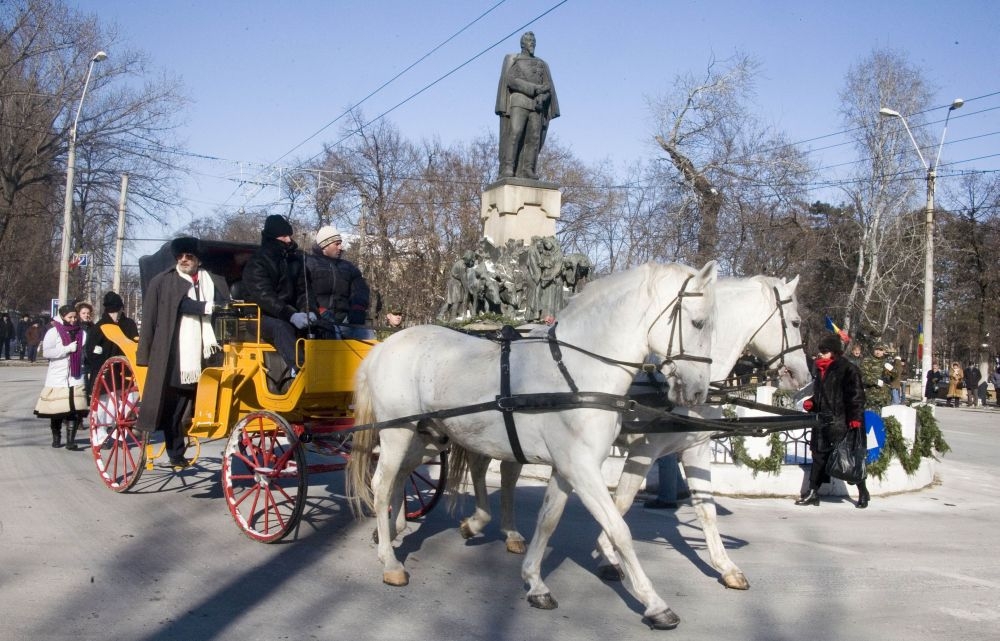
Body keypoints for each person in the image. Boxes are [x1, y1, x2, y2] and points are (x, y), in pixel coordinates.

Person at [136, 237, 229, 468]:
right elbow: (177, 306)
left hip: (207, 349)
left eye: (189, 256)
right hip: (175, 352)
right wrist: (206, 307)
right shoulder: (166, 281)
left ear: (197, 259)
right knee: (176, 404)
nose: (184, 260)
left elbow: (223, 302)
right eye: (181, 256)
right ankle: (175, 452)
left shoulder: (211, 280)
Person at [796, 335, 867, 508]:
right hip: (823, 423)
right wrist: (812, 403)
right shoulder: (821, 370)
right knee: (819, 458)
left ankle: (863, 491)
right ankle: (813, 492)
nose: (821, 355)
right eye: (820, 351)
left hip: (842, 422)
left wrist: (855, 419)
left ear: (835, 353)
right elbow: (822, 396)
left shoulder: (848, 369)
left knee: (848, 460)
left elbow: (856, 397)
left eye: (825, 352)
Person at [241, 214, 314, 370]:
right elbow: (263, 296)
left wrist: (310, 311)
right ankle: (303, 372)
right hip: (259, 317)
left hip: (288, 313)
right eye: (284, 236)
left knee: (322, 327)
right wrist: (290, 315)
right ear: (273, 237)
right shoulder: (257, 262)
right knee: (281, 327)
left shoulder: (294, 261)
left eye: (289, 235)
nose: (289, 240)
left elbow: (304, 291)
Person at [495, 31, 559, 180]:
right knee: (515, 133)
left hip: (537, 105)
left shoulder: (541, 64)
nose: (533, 44)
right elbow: (511, 80)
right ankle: (508, 168)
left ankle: (528, 169)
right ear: (523, 44)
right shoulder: (515, 60)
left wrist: (542, 97)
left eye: (534, 42)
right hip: (519, 101)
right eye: (530, 42)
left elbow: (548, 87)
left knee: (534, 137)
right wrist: (534, 89)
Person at [33, 305, 88, 449]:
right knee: (57, 411)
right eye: (70, 317)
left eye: (75, 317)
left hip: (76, 376)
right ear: (63, 316)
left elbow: (84, 352)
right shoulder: (53, 332)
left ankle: (70, 441)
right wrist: (67, 349)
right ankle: (56, 437)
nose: (73, 320)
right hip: (57, 377)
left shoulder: (82, 333)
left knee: (75, 411)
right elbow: (47, 352)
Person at [305, 225, 372, 339]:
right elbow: (303, 291)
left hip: (345, 319)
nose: (341, 247)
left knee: (367, 335)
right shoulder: (308, 264)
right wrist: (317, 310)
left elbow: (360, 290)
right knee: (333, 334)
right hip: (318, 320)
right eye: (336, 244)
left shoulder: (349, 267)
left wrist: (358, 308)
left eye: (340, 243)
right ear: (324, 246)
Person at [86, 291, 140, 382]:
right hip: (106, 374)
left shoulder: (129, 324)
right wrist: (100, 365)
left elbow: (135, 344)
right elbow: (91, 350)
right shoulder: (100, 327)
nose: (115, 315)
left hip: (125, 373)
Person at [75, 301, 96, 399]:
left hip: (91, 356)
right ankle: (83, 398)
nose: (86, 315)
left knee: (91, 378)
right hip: (80, 357)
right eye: (83, 313)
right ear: (78, 314)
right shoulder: (76, 326)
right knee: (82, 379)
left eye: (88, 313)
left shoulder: (92, 326)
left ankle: (89, 396)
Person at [860, 344, 892, 409]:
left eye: (880, 350)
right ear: (873, 350)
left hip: (884, 398)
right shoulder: (867, 361)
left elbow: (891, 378)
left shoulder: (886, 362)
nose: (878, 352)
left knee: (882, 418)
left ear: (884, 351)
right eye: (876, 349)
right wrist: (875, 381)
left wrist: (893, 372)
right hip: (871, 397)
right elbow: (863, 376)